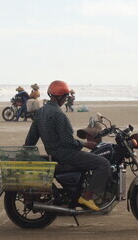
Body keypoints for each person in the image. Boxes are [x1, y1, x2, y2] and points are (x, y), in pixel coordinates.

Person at [24, 80, 112, 211]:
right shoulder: (59, 114)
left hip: (53, 153)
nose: (66, 99)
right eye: (65, 96)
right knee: (103, 164)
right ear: (59, 96)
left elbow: (31, 137)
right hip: (66, 154)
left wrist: (26, 151)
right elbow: (67, 141)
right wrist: (85, 144)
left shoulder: (41, 112)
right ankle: (87, 197)